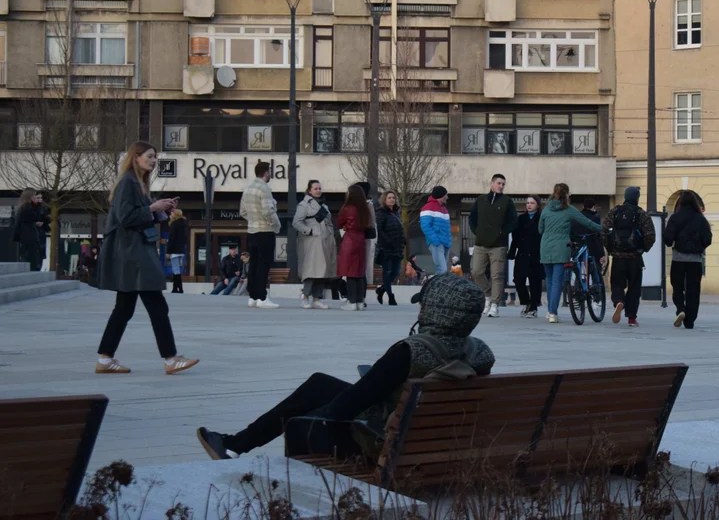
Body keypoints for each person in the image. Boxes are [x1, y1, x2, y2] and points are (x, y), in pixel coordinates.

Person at [195, 272, 494, 462]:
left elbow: (343, 411)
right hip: (439, 439)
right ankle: (234, 444)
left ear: (433, 309)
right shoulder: (479, 351)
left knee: (304, 417)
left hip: (386, 446)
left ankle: (237, 445)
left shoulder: (409, 352)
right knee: (320, 384)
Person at [94, 141, 198, 375]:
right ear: (136, 157)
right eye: (150, 156)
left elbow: (137, 216)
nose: (153, 161)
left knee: (124, 308)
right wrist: (153, 208)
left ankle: (105, 358)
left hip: (133, 251)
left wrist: (162, 210)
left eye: (154, 157)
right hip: (132, 252)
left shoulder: (137, 183)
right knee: (156, 305)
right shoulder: (127, 183)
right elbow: (125, 217)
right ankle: (171, 359)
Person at [539, 184, 602, 324]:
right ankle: (553, 313)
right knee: (557, 282)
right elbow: (587, 223)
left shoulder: (546, 209)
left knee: (549, 280)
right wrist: (603, 228)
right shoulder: (568, 210)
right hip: (561, 247)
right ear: (567, 195)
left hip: (545, 247)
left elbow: (540, 229)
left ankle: (550, 311)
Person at [600, 186, 655, 328]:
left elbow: (604, 231)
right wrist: (643, 248)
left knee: (617, 284)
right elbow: (650, 235)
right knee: (634, 288)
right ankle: (631, 318)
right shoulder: (641, 213)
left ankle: (619, 301)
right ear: (637, 198)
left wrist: (610, 248)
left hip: (618, 257)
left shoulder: (615, 212)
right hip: (634, 258)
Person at [469, 174, 518, 317]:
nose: (501, 186)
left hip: (498, 245)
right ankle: (487, 296)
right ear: (491, 184)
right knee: (476, 271)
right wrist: (477, 231)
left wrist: (502, 232)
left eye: (503, 184)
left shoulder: (507, 202)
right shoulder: (481, 200)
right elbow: (472, 218)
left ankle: (495, 305)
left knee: (497, 275)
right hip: (481, 243)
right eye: (499, 183)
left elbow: (513, 221)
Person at [663, 190, 712, 329]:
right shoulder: (701, 219)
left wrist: (673, 243)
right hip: (695, 260)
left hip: (678, 259)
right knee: (693, 290)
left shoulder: (675, 217)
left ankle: (680, 309)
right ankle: (690, 320)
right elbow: (707, 239)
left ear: (680, 202)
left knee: (677, 287)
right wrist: (700, 247)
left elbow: (667, 238)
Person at [239, 161, 281, 310]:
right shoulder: (264, 188)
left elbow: (242, 212)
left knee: (254, 264)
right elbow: (268, 211)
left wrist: (253, 220)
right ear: (266, 172)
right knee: (264, 265)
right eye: (269, 171)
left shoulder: (248, 188)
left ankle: (253, 297)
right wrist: (276, 226)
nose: (270, 174)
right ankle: (262, 297)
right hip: (265, 232)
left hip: (252, 231)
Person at [293, 179, 337, 310]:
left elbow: (329, 222)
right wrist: (310, 231)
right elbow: (297, 222)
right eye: (315, 188)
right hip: (311, 241)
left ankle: (317, 298)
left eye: (319, 188)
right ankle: (305, 296)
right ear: (309, 190)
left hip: (325, 240)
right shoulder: (303, 205)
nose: (318, 190)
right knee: (311, 270)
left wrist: (331, 236)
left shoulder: (324, 206)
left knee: (322, 271)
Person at [338, 183, 376, 311]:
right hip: (361, 239)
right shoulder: (366, 208)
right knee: (359, 272)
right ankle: (360, 301)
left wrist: (345, 226)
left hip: (350, 239)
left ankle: (352, 301)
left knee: (350, 272)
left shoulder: (347, 208)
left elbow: (339, 222)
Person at [508, 196, 544, 318]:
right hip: (522, 253)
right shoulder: (521, 218)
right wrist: (512, 252)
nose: (529, 205)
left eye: (532, 203)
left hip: (536, 253)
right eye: (528, 203)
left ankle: (533, 306)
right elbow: (515, 237)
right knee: (518, 279)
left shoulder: (541, 218)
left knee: (535, 281)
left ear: (537, 205)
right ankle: (525, 302)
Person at [375, 190, 406, 306]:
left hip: (397, 247)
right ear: (384, 199)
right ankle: (390, 296)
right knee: (387, 272)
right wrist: (387, 240)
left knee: (396, 271)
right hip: (386, 247)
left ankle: (382, 289)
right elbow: (379, 229)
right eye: (389, 197)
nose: (392, 199)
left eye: (393, 197)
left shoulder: (397, 212)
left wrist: (403, 239)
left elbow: (400, 227)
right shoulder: (381, 212)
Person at [420, 186, 452, 275]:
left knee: (441, 269)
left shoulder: (444, 209)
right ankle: (439, 288)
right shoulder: (428, 207)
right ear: (441, 195)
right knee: (442, 269)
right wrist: (436, 241)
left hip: (445, 244)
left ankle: (437, 288)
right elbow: (425, 226)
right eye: (446, 195)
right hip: (437, 243)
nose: (447, 197)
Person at [15, 189, 47, 272]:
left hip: (33, 235)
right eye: (36, 197)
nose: (38, 199)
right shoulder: (27, 208)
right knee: (31, 256)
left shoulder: (33, 207)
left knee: (35, 255)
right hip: (29, 235)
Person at [166, 209, 188, 294]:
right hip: (181, 250)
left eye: (171, 213)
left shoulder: (174, 224)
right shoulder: (183, 225)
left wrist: (168, 251)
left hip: (174, 250)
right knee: (177, 269)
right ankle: (177, 288)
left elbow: (172, 239)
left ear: (175, 214)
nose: (170, 214)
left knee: (175, 270)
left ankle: (178, 288)